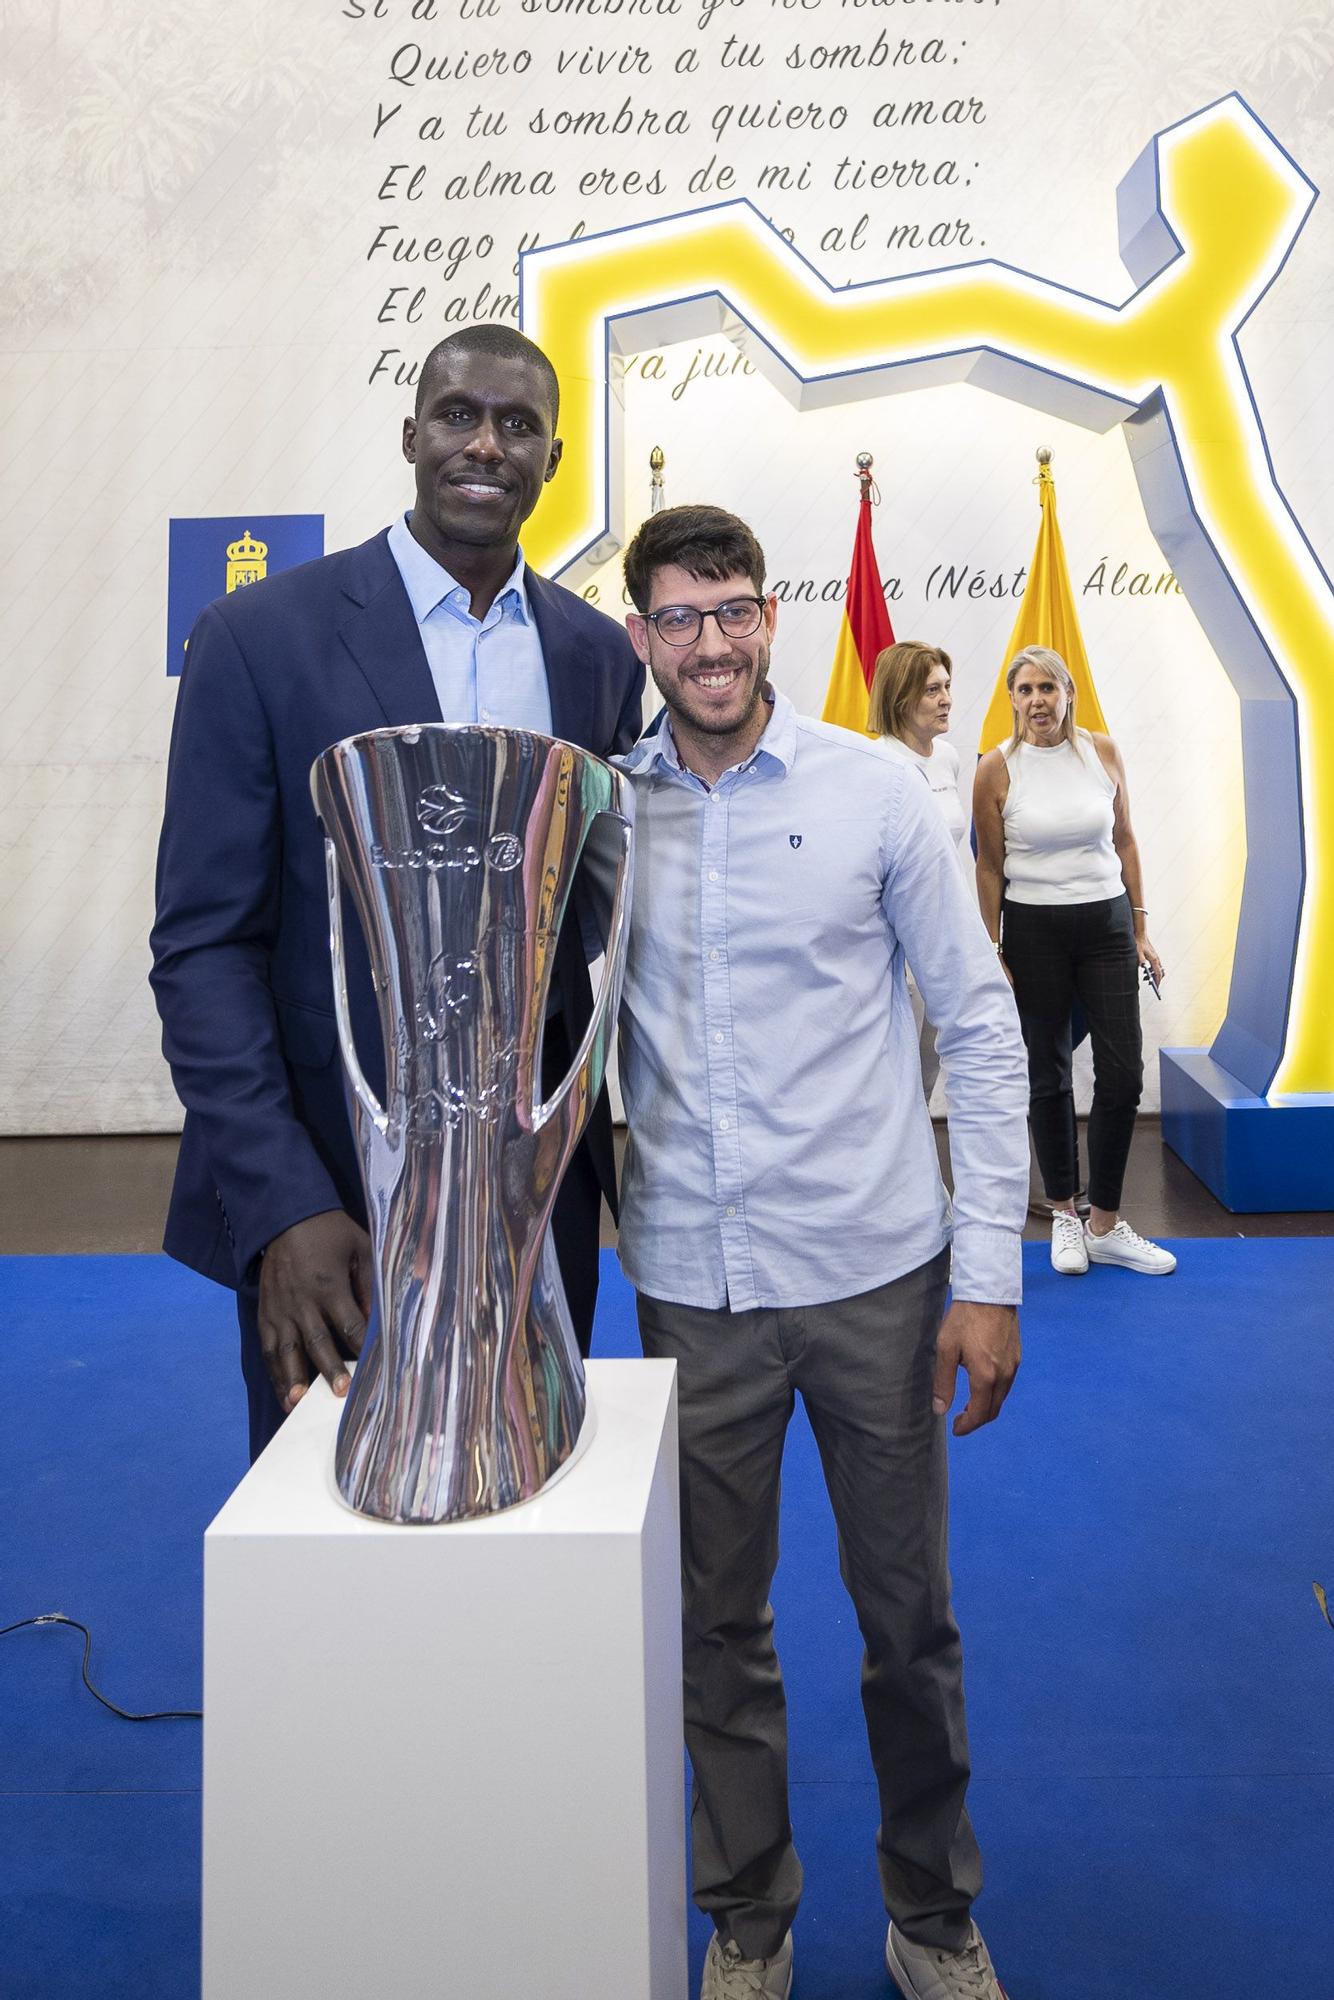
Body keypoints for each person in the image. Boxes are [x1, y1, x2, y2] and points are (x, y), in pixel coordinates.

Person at [611, 503, 1029, 2000]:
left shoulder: (873, 795)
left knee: (904, 1622)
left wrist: (986, 1272)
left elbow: (979, 1032)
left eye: (731, 611)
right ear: (642, 632)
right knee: (715, 1628)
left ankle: (931, 1913)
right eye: (677, 618)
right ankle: (747, 1920)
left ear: (769, 615)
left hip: (872, 1277)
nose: (708, 644)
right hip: (690, 1286)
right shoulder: (604, 805)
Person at [150, 327, 644, 1460]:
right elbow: (204, 949)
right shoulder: (259, 637)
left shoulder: (594, 660)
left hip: (536, 1201)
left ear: (554, 458)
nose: (485, 444)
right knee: (336, 1534)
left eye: (517, 424)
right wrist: (282, 1204)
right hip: (334, 1202)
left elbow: (603, 931)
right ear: (409, 434)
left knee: (529, 1489)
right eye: (458, 414)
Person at [972, 644, 1176, 1278]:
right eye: (1026, 690)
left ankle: (1106, 1224)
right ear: (1013, 699)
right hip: (1033, 930)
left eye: (1048, 689)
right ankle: (1064, 1212)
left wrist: (1140, 927)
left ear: (1068, 695)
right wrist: (993, 946)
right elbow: (988, 866)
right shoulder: (995, 770)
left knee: (1123, 1076)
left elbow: (1125, 839)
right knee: (1048, 1074)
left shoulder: (1102, 753)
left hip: (1107, 924)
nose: (1038, 701)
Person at [868, 640, 967, 1100]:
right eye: (932, 690)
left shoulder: (948, 757)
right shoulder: (876, 765)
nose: (946, 698)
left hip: (943, 934)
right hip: (893, 944)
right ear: (900, 697)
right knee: (893, 1078)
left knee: (928, 1070)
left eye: (946, 686)